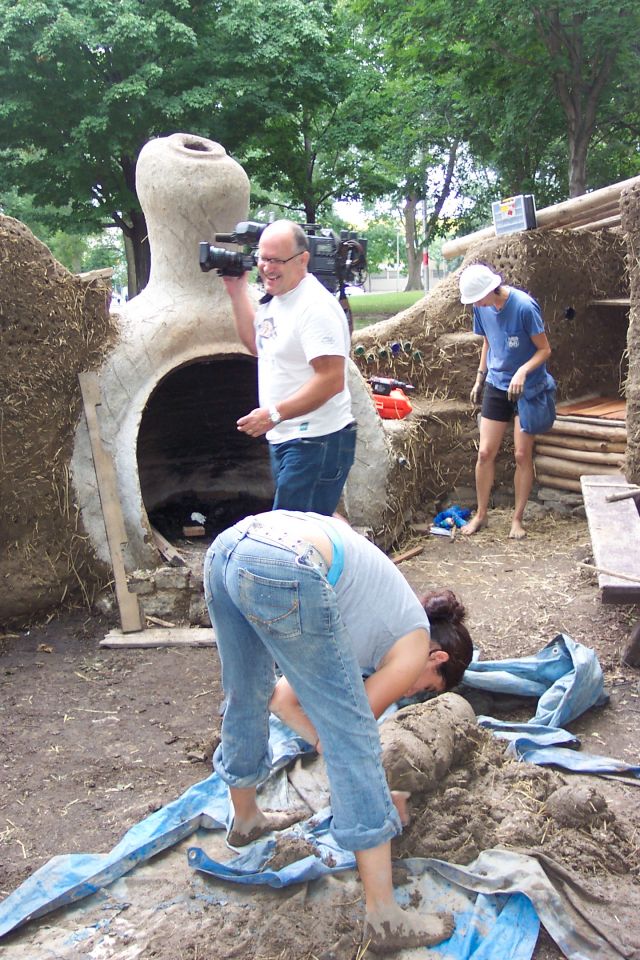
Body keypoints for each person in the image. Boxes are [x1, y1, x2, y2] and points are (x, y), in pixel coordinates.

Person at [204, 509, 472, 954]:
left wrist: (323, 738)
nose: (411, 693)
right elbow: (353, 734)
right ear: (437, 660)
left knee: (246, 690)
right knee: (354, 739)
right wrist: (385, 796)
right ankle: (384, 917)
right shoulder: (413, 645)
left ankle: (246, 820)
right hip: (280, 562)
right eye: (427, 688)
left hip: (230, 548)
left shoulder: (368, 611)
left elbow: (279, 699)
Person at [222, 220, 356, 515]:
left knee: (294, 532)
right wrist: (237, 292)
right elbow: (258, 345)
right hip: (288, 437)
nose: (266, 267)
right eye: (262, 258)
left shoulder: (314, 307)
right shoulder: (276, 300)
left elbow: (331, 379)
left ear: (302, 260)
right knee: (308, 526)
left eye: (276, 260)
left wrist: (273, 414)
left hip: (316, 441)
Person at [459, 263, 553, 539]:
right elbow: (488, 341)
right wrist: (480, 378)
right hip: (497, 383)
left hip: (528, 386)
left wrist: (523, 371)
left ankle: (517, 519)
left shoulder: (524, 307)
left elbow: (545, 349)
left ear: (491, 289)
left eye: (478, 298)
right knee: (485, 453)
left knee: (522, 454)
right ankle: (481, 515)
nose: (476, 304)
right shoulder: (481, 308)